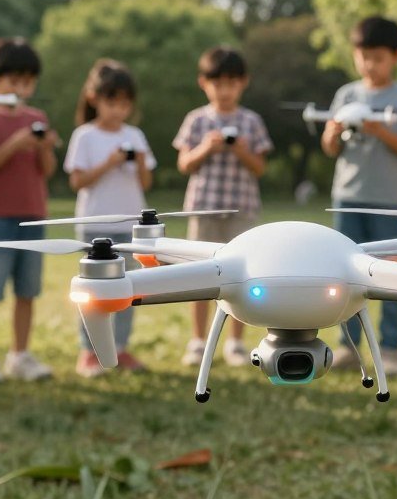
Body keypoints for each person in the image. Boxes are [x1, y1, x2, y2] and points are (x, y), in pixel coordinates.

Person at [322, 16, 397, 377]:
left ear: (396, 56)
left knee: (392, 276)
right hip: (347, 198)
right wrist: (333, 133)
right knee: (345, 277)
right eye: (363, 56)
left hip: (389, 201)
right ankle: (348, 346)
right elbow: (329, 148)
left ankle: (391, 349)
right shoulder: (346, 95)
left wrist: (379, 130)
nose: (370, 64)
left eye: (378, 57)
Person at [0, 38, 59, 386]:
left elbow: (46, 170)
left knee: (27, 290)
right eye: (13, 81)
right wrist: (16, 143)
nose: (21, 89)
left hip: (33, 215)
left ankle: (20, 354)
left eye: (28, 82)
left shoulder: (37, 117)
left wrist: (45, 147)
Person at [174, 46, 273, 367]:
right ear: (204, 83)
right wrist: (206, 147)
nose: (224, 90)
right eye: (218, 83)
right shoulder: (196, 120)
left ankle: (235, 344)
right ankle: (199, 340)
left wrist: (242, 151)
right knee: (199, 276)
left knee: (242, 278)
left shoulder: (252, 121)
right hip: (202, 208)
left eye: (231, 83)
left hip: (241, 210)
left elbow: (260, 168)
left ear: (243, 83)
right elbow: (184, 164)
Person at [64, 59, 156, 377]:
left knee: (129, 289)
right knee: (92, 291)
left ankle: (120, 348)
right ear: (94, 99)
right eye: (111, 102)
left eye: (124, 104)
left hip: (130, 226)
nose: (118, 110)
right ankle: (88, 352)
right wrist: (109, 162)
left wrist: (140, 161)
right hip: (94, 225)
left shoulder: (136, 134)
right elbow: (77, 182)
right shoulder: (84, 136)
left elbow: (146, 183)